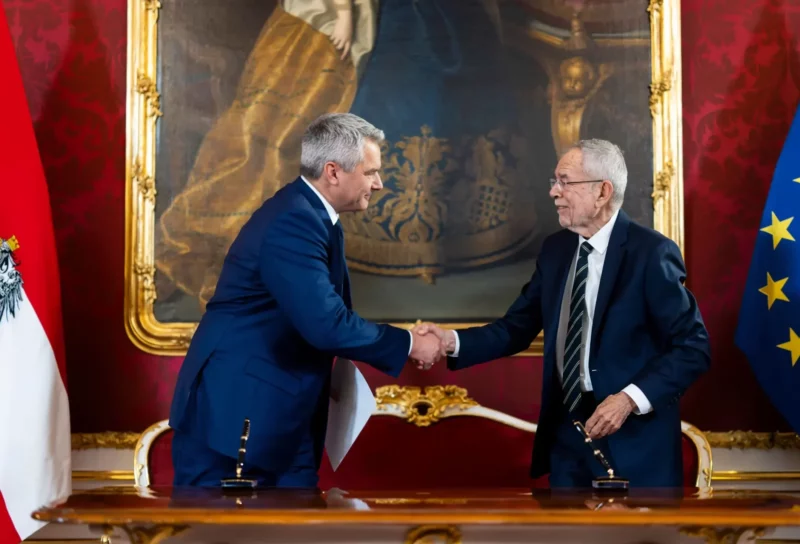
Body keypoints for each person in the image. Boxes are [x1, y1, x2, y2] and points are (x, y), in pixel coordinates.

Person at [169, 113, 444, 488]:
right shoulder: (294, 222)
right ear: (333, 172)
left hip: (278, 415)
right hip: (237, 417)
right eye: (370, 172)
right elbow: (327, 324)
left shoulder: (311, 215)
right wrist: (411, 343)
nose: (379, 184)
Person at [416, 139, 710, 487]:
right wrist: (449, 342)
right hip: (568, 440)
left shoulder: (651, 253)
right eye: (554, 182)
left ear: (602, 191)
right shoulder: (556, 250)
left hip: (633, 442)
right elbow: (516, 328)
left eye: (564, 181)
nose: (554, 192)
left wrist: (628, 399)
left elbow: (693, 348)